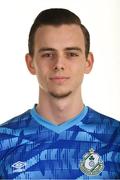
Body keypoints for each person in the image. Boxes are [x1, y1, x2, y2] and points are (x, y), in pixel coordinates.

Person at [0, 8, 120, 180]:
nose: (59, 64)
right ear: (30, 63)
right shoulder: (4, 140)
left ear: (88, 62)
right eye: (48, 54)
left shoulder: (116, 138)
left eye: (71, 54)